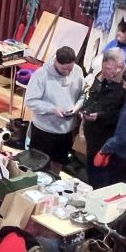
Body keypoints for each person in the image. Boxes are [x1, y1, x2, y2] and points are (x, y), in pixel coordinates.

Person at [24, 46, 86, 174]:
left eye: (71, 68)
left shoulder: (78, 71)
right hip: (44, 131)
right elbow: (30, 101)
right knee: (37, 167)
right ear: (56, 62)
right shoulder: (41, 75)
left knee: (58, 164)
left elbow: (83, 94)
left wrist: (77, 106)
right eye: (64, 69)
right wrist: (52, 109)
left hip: (66, 131)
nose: (68, 72)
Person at [81, 48, 126, 188]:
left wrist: (100, 117)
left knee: (102, 177)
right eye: (103, 67)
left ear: (119, 68)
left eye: (108, 68)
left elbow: (122, 116)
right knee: (90, 170)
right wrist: (86, 110)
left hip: (107, 139)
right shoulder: (101, 76)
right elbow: (92, 95)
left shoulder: (125, 87)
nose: (104, 71)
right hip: (92, 134)